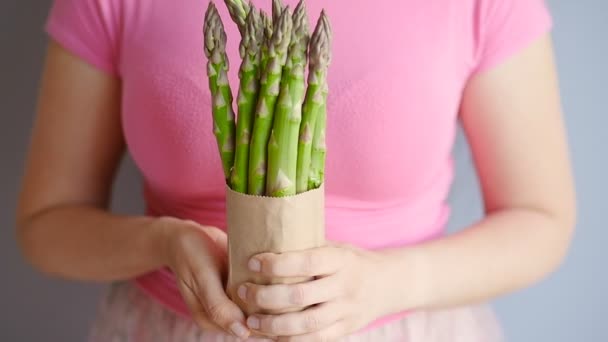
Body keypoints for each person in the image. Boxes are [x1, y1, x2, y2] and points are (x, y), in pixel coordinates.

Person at [15, 0, 575, 341]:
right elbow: (47, 226)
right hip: (165, 328)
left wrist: (389, 284)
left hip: (404, 328)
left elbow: (541, 219)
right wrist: (164, 242)